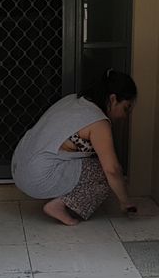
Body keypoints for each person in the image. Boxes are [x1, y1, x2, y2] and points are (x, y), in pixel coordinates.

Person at [11, 69, 137, 225]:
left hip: (19, 167)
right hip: (36, 177)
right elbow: (112, 169)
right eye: (126, 108)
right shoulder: (98, 122)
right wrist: (125, 202)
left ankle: (59, 194)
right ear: (113, 99)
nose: (125, 116)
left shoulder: (73, 100)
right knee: (105, 175)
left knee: (94, 162)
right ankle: (58, 206)